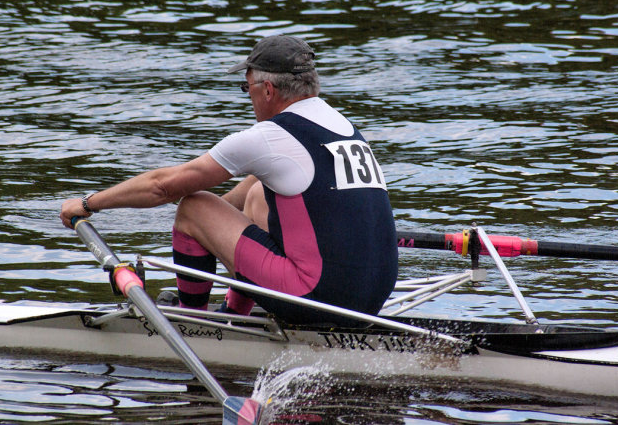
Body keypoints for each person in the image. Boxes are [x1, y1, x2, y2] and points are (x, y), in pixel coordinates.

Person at [60, 35, 397, 325]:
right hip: (372, 296)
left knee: (194, 206)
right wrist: (216, 231)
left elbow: (163, 186)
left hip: (316, 296)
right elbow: (248, 196)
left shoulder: (269, 137)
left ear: (267, 90)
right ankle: (234, 311)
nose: (247, 97)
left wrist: (89, 203)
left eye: (245, 87)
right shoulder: (343, 127)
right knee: (257, 193)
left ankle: (195, 321)